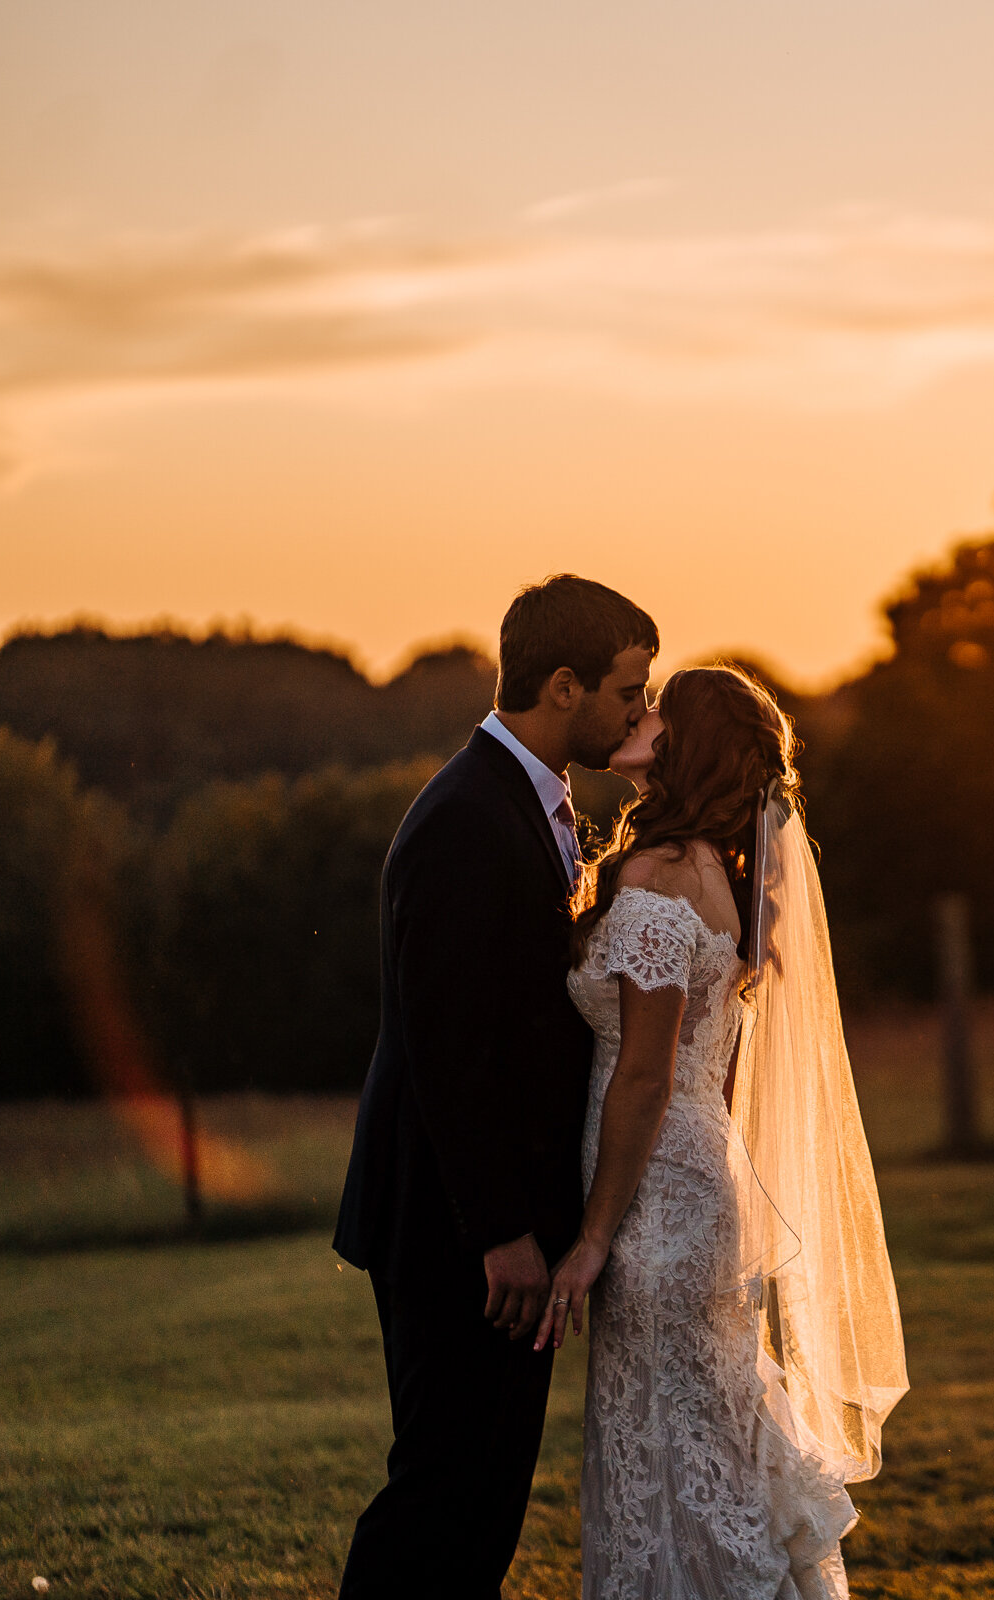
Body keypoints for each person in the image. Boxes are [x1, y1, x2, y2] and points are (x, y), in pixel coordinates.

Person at [530, 665, 908, 1600]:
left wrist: (590, 1241)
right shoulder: (719, 879)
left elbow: (648, 1074)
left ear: (685, 744)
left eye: (660, 707)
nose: (641, 712)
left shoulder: (660, 880)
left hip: (657, 1201)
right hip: (695, 1187)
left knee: (670, 1454)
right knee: (698, 1439)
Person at [333, 574, 657, 1599]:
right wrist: (502, 1229)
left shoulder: (532, 802)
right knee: (442, 1493)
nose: (637, 714)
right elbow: (447, 1044)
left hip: (495, 1219)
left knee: (484, 1504)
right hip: (454, 1225)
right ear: (564, 687)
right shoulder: (467, 818)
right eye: (627, 692)